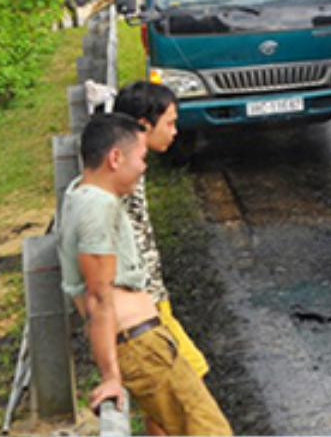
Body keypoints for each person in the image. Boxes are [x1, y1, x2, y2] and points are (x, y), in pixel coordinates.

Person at [58, 114, 231, 435]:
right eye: (141, 158)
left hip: (143, 342)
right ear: (114, 158)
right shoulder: (98, 207)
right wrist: (111, 377)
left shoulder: (79, 194)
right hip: (141, 345)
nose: (144, 167)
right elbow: (98, 297)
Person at [113, 82, 212, 435]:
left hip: (153, 301)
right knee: (188, 381)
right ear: (142, 125)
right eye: (169, 123)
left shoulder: (131, 166)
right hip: (142, 310)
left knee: (163, 403)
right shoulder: (119, 174)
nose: (175, 131)